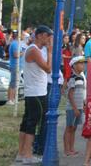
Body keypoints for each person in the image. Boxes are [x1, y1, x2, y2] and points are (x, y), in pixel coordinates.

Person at [17, 26, 53, 164]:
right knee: (33, 123)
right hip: (36, 92)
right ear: (40, 36)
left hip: (34, 91)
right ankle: (27, 154)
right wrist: (49, 52)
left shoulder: (35, 49)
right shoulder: (33, 50)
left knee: (27, 122)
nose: (49, 40)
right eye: (47, 36)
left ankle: (22, 153)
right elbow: (48, 69)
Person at [63, 56, 87, 158]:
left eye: (83, 63)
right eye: (80, 64)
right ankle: (66, 150)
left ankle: (72, 148)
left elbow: (81, 92)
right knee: (69, 127)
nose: (83, 65)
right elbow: (70, 94)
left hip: (79, 107)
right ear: (74, 66)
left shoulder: (81, 77)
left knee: (74, 128)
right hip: (72, 108)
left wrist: (83, 104)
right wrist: (75, 108)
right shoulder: (73, 78)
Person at [7, 30, 25, 104]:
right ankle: (10, 99)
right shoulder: (15, 44)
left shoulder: (18, 43)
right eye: (23, 35)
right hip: (15, 65)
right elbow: (16, 55)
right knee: (13, 83)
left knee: (15, 83)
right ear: (19, 35)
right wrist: (23, 52)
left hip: (18, 65)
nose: (24, 36)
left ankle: (13, 99)